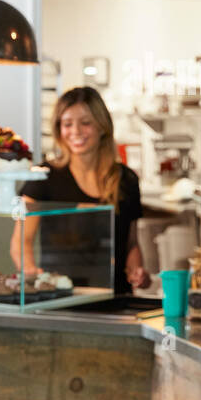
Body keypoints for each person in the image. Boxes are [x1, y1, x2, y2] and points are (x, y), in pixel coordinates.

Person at [13, 87, 148, 294]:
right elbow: (22, 241)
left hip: (115, 298)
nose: (75, 131)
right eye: (67, 124)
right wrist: (31, 274)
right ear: (59, 129)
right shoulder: (43, 177)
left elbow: (131, 244)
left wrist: (137, 271)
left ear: (102, 126)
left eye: (85, 123)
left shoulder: (126, 179)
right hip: (60, 297)